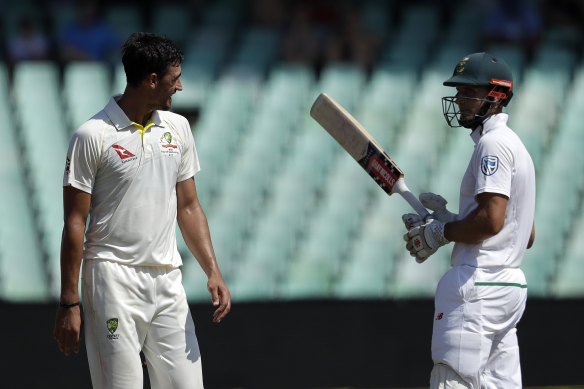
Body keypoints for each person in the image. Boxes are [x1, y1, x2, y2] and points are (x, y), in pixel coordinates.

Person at [53, 32, 231, 389]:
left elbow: (189, 206)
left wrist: (213, 270)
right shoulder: (92, 135)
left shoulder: (178, 128)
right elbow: (74, 221)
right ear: (152, 80)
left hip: (167, 279)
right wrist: (69, 303)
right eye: (174, 78)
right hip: (111, 279)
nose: (179, 87)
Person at [402, 52, 536, 388]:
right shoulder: (515, 145)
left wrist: (439, 233)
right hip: (508, 287)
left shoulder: (492, 145)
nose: (460, 100)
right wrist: (454, 220)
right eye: (459, 92)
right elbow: (524, 232)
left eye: (468, 92)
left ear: (495, 95)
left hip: (477, 285)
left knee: (453, 379)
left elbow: (491, 223)